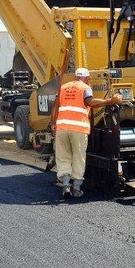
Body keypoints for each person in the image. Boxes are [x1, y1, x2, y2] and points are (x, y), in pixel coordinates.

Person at [54, 68, 122, 199]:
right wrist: (110, 101)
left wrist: (53, 124)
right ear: (87, 78)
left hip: (62, 128)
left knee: (63, 157)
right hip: (78, 129)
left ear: (75, 77)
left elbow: (55, 106)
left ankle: (66, 185)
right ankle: (76, 188)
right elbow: (90, 102)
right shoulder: (85, 88)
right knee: (79, 157)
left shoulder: (64, 87)